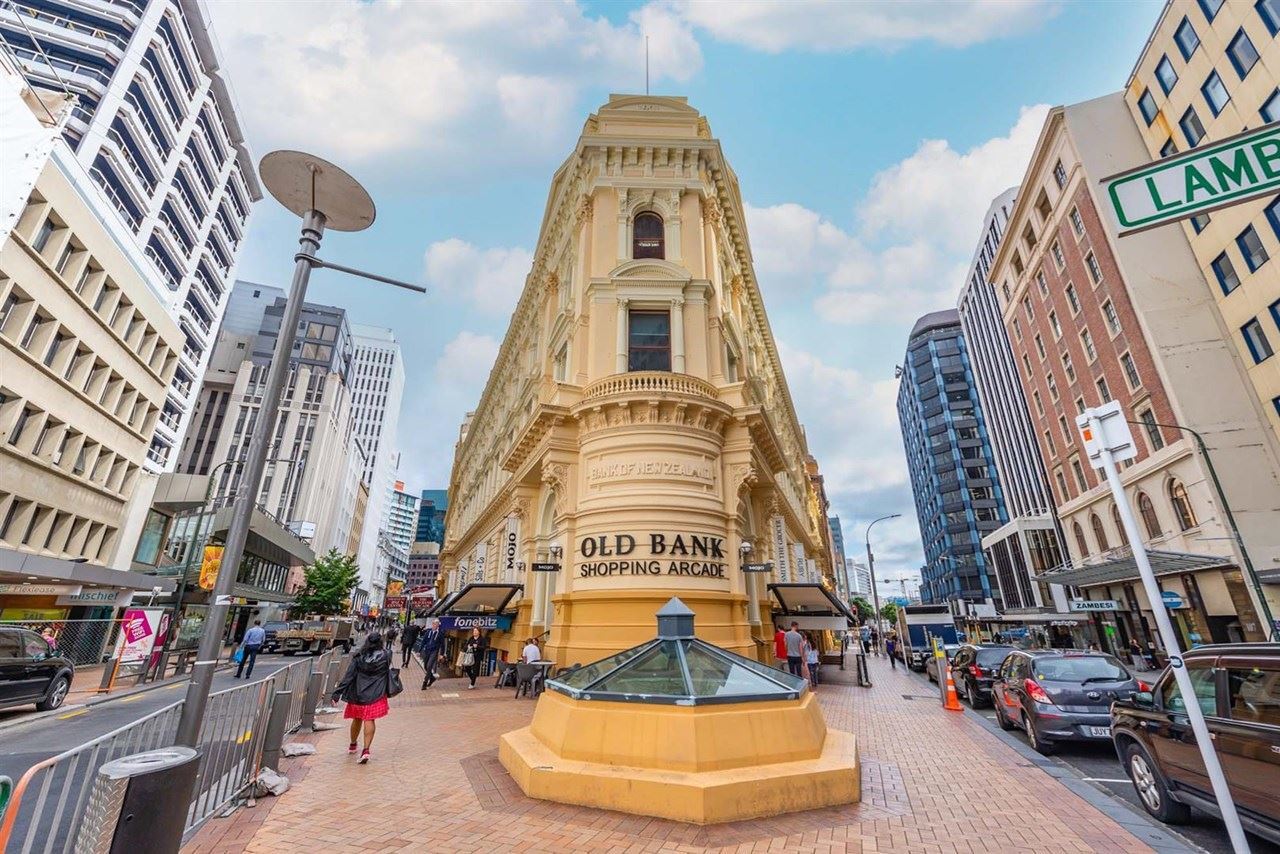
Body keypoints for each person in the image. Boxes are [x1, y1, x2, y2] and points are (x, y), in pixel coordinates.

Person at [332, 632, 392, 764]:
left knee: (357, 719)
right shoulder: (386, 655)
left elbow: (349, 675)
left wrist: (337, 693)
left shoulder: (359, 656)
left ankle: (353, 745)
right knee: (369, 719)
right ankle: (366, 750)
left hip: (358, 692)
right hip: (376, 692)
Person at [417, 618, 444, 689]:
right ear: (432, 624)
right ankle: (432, 678)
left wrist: (441, 654)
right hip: (427, 651)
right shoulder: (428, 632)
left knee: (429, 666)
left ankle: (425, 683)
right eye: (434, 624)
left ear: (438, 625)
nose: (435, 625)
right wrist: (419, 651)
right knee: (425, 666)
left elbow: (442, 644)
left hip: (434, 651)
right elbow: (423, 642)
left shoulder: (440, 634)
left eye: (437, 624)